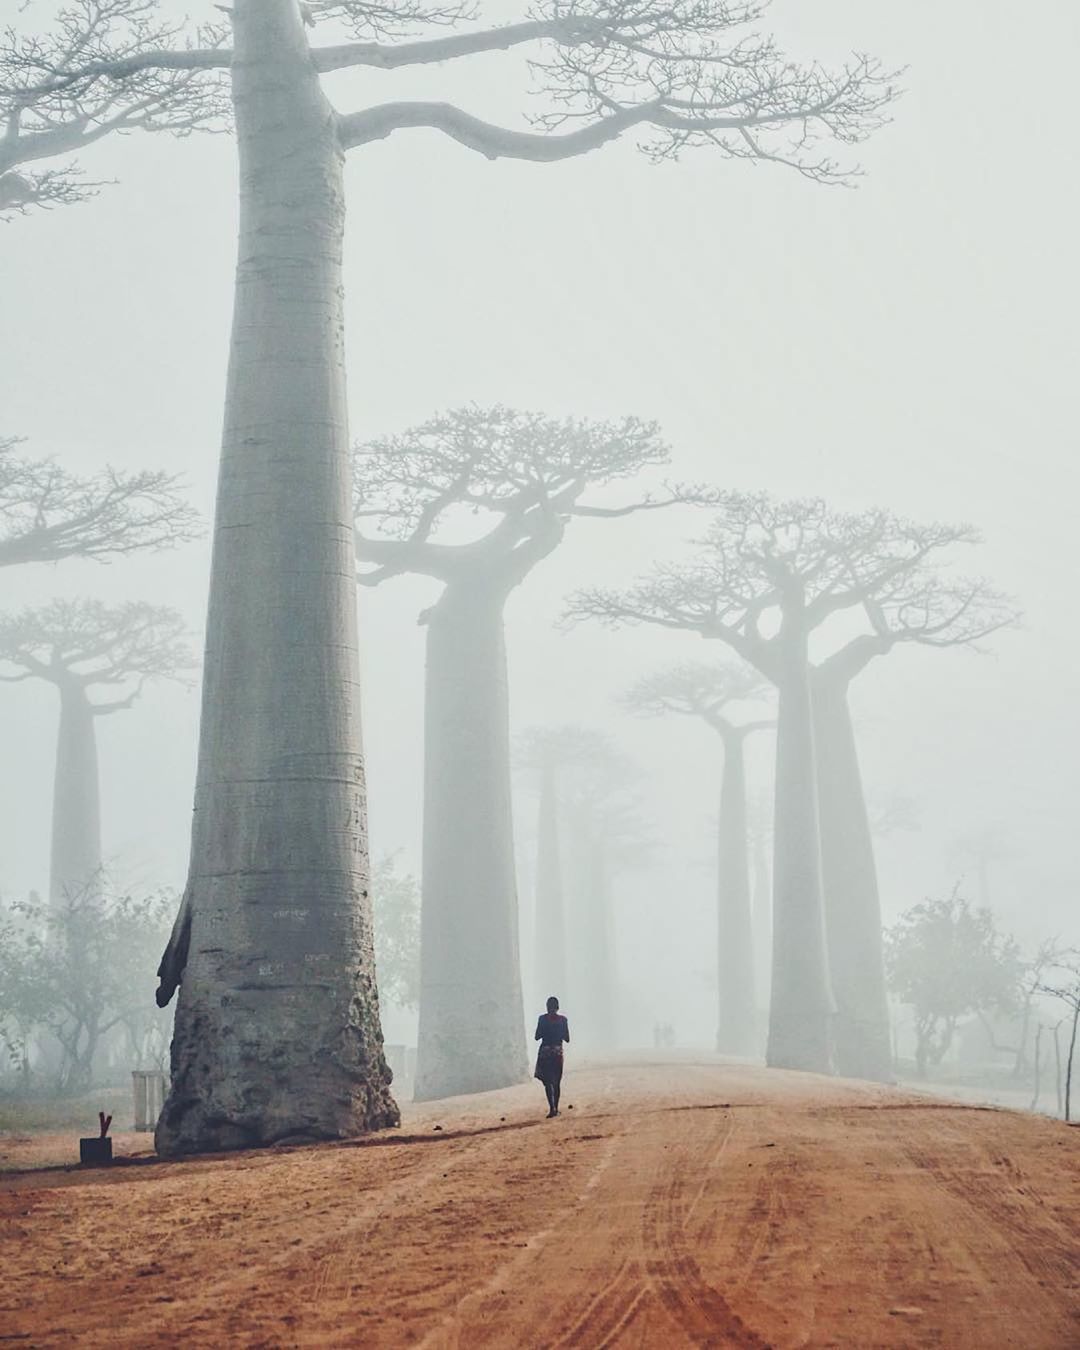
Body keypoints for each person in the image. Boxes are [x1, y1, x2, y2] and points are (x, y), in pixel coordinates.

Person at [534, 995, 570, 1118]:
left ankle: (552, 1108)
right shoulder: (563, 1020)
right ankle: (557, 1108)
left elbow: (537, 1036)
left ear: (547, 1007)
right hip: (557, 1052)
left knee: (548, 1082)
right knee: (556, 1082)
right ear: (558, 1007)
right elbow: (567, 1038)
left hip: (545, 1052)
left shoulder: (542, 1019)